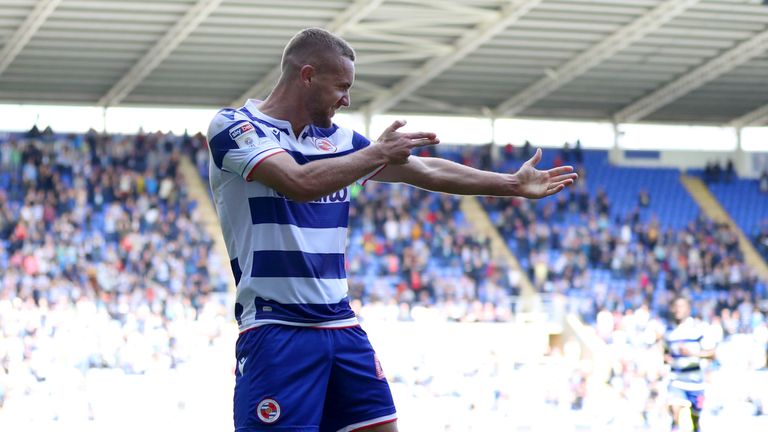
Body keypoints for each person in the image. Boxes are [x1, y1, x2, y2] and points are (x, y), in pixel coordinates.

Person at [206, 28, 577, 432]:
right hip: (277, 329)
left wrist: (510, 184)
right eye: (341, 87)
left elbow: (426, 170)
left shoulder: (341, 140)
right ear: (307, 75)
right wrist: (375, 153)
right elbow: (298, 183)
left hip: (342, 325)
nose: (347, 100)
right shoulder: (236, 126)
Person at [663, 296, 716, 432]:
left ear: (688, 309)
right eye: (676, 306)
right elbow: (665, 352)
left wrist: (693, 354)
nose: (677, 310)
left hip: (696, 382)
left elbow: (712, 354)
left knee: (695, 420)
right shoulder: (669, 331)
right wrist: (665, 358)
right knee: (675, 413)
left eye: (681, 306)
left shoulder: (698, 329)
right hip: (676, 381)